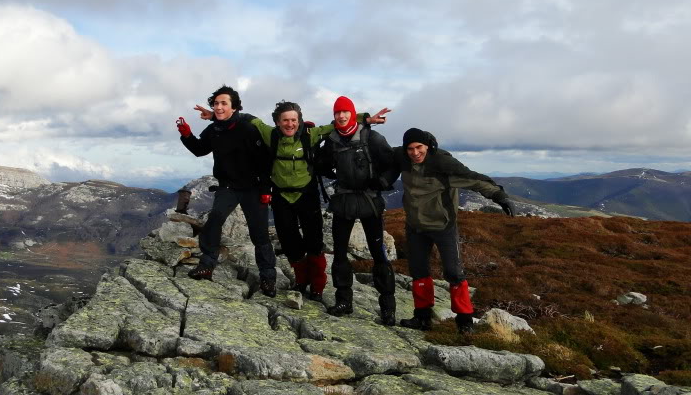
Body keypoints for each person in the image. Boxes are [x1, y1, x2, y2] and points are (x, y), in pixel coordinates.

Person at [194, 99, 390, 303]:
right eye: (285, 120)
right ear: (278, 122)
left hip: (307, 194)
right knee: (289, 242)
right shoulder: (270, 134)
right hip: (281, 196)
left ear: (300, 120)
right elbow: (246, 118)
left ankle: (317, 286)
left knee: (314, 242)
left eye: (294, 120)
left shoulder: (310, 134)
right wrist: (216, 114)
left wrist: (366, 119)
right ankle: (301, 280)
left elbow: (339, 123)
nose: (290, 124)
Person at [390, 128, 516, 334]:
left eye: (419, 147)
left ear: (427, 146)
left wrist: (499, 196)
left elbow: (473, 180)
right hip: (415, 227)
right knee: (419, 272)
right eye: (410, 149)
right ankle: (422, 318)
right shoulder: (403, 159)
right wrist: (366, 121)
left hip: (443, 226)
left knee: (453, 272)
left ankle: (465, 321)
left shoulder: (441, 165)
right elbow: (379, 150)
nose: (415, 152)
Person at [177, 85, 278, 296]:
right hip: (228, 186)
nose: (219, 107)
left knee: (259, 234)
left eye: (224, 103)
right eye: (216, 104)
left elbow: (266, 159)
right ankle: (207, 264)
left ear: (234, 107)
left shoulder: (248, 127)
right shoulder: (214, 129)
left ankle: (268, 278)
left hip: (253, 187)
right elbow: (199, 150)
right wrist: (186, 134)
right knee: (215, 220)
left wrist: (266, 188)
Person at [315, 96, 397, 325]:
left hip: (369, 200)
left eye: (345, 112)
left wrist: (382, 182)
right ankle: (344, 301)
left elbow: (392, 164)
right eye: (337, 113)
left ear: (352, 114)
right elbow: (321, 165)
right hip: (344, 200)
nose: (341, 116)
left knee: (378, 253)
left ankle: (388, 308)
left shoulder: (372, 138)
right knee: (340, 253)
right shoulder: (331, 141)